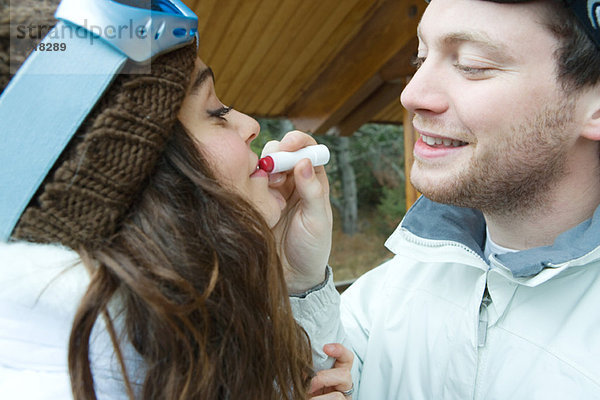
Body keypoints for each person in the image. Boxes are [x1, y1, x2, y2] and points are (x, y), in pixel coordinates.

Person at [0, 0, 352, 399]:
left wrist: (294, 283)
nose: (251, 125)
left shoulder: (164, 349)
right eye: (215, 112)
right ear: (140, 177)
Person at [284, 0, 600, 398]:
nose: (412, 95)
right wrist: (301, 285)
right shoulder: (394, 285)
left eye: (473, 65)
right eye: (420, 59)